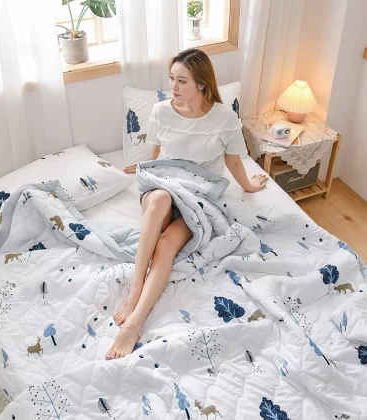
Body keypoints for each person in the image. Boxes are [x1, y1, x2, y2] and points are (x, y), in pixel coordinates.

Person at [105, 48, 268, 360]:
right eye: (171, 79)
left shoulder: (225, 118)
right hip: (163, 186)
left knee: (166, 245)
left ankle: (136, 322)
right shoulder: (161, 111)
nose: (173, 87)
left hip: (199, 196)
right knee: (160, 198)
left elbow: (233, 161)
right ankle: (136, 288)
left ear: (202, 84)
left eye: (181, 81)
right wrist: (143, 171)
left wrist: (248, 185)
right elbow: (156, 154)